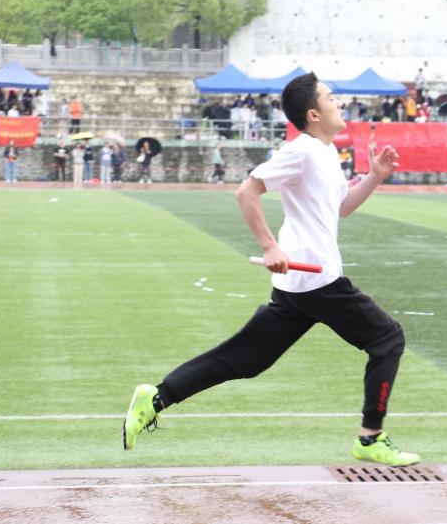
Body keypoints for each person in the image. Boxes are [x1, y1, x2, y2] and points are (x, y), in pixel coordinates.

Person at [122, 72, 420, 467]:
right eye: (331, 97)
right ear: (313, 114)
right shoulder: (301, 151)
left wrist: (375, 177)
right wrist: (269, 246)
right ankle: (370, 437)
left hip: (300, 281)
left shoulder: (326, 152)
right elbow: (246, 191)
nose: (339, 103)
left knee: (247, 359)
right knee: (387, 339)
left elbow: (342, 208)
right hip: (316, 279)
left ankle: (157, 397)